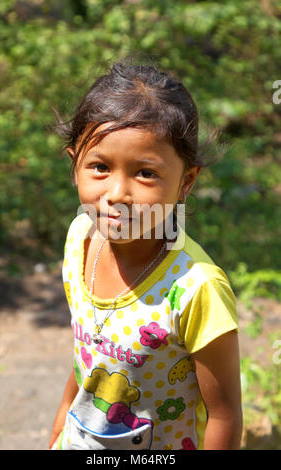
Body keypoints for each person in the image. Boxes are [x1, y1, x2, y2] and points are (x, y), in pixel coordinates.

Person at [49, 60, 242, 450]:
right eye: (99, 167)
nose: (118, 193)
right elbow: (90, 352)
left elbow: (224, 415)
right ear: (75, 165)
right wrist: (61, 419)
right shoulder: (80, 238)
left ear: (186, 181)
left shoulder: (194, 289)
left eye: (146, 173)